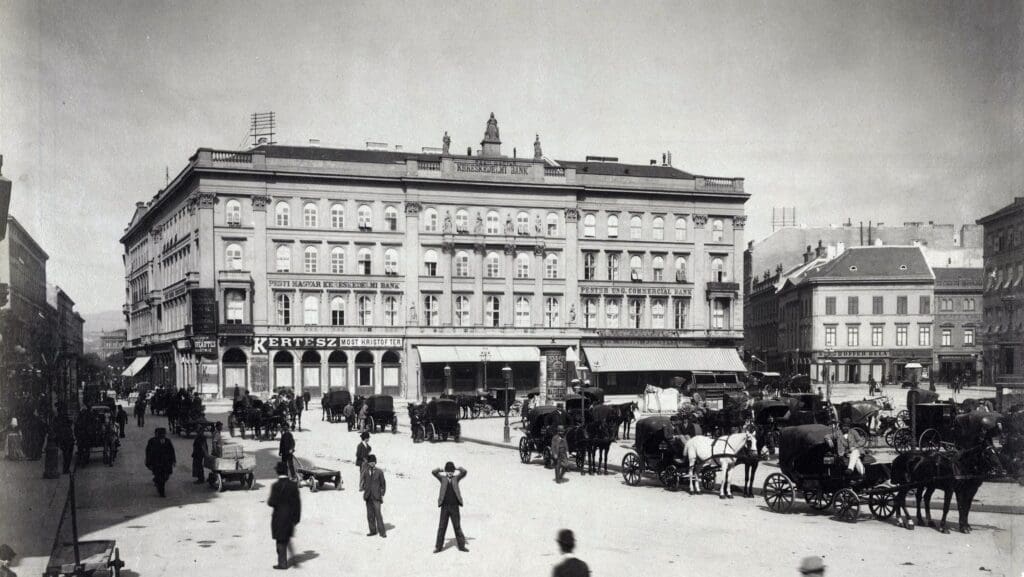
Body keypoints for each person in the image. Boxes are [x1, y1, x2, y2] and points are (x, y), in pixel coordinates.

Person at [268, 461, 301, 570]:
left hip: (278, 517)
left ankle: (282, 563)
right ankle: (286, 559)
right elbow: (297, 503)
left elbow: (271, 502)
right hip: (290, 517)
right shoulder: (293, 485)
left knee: (280, 540)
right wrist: (296, 519)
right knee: (284, 538)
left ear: (277, 472)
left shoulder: (275, 486)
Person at [432, 462, 469, 553]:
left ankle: (461, 546)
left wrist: (457, 468)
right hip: (444, 506)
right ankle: (438, 547)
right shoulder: (442, 478)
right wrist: (442, 469)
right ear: (446, 471)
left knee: (457, 526)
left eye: (451, 471)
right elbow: (434, 472)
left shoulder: (456, 478)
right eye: (448, 471)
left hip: (455, 506)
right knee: (442, 527)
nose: (450, 473)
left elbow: (464, 472)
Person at [144, 428, 176, 497]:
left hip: (166, 463)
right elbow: (148, 452)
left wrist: (173, 460)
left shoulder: (168, 441)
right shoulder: (152, 441)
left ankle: (157, 483)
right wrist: (148, 462)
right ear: (157, 434)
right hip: (157, 463)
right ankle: (161, 491)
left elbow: (172, 451)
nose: (162, 435)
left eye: (163, 434)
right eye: (160, 434)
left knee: (166, 476)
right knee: (159, 477)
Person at [360, 455, 386, 538]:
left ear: (375, 462)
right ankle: (372, 531)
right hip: (368, 496)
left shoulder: (379, 472)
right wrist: (365, 489)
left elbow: (383, 484)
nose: (372, 463)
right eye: (370, 462)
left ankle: (382, 532)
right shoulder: (366, 471)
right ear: (368, 463)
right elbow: (363, 482)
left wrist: (381, 494)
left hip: (376, 497)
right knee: (370, 515)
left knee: (378, 514)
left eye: (373, 462)